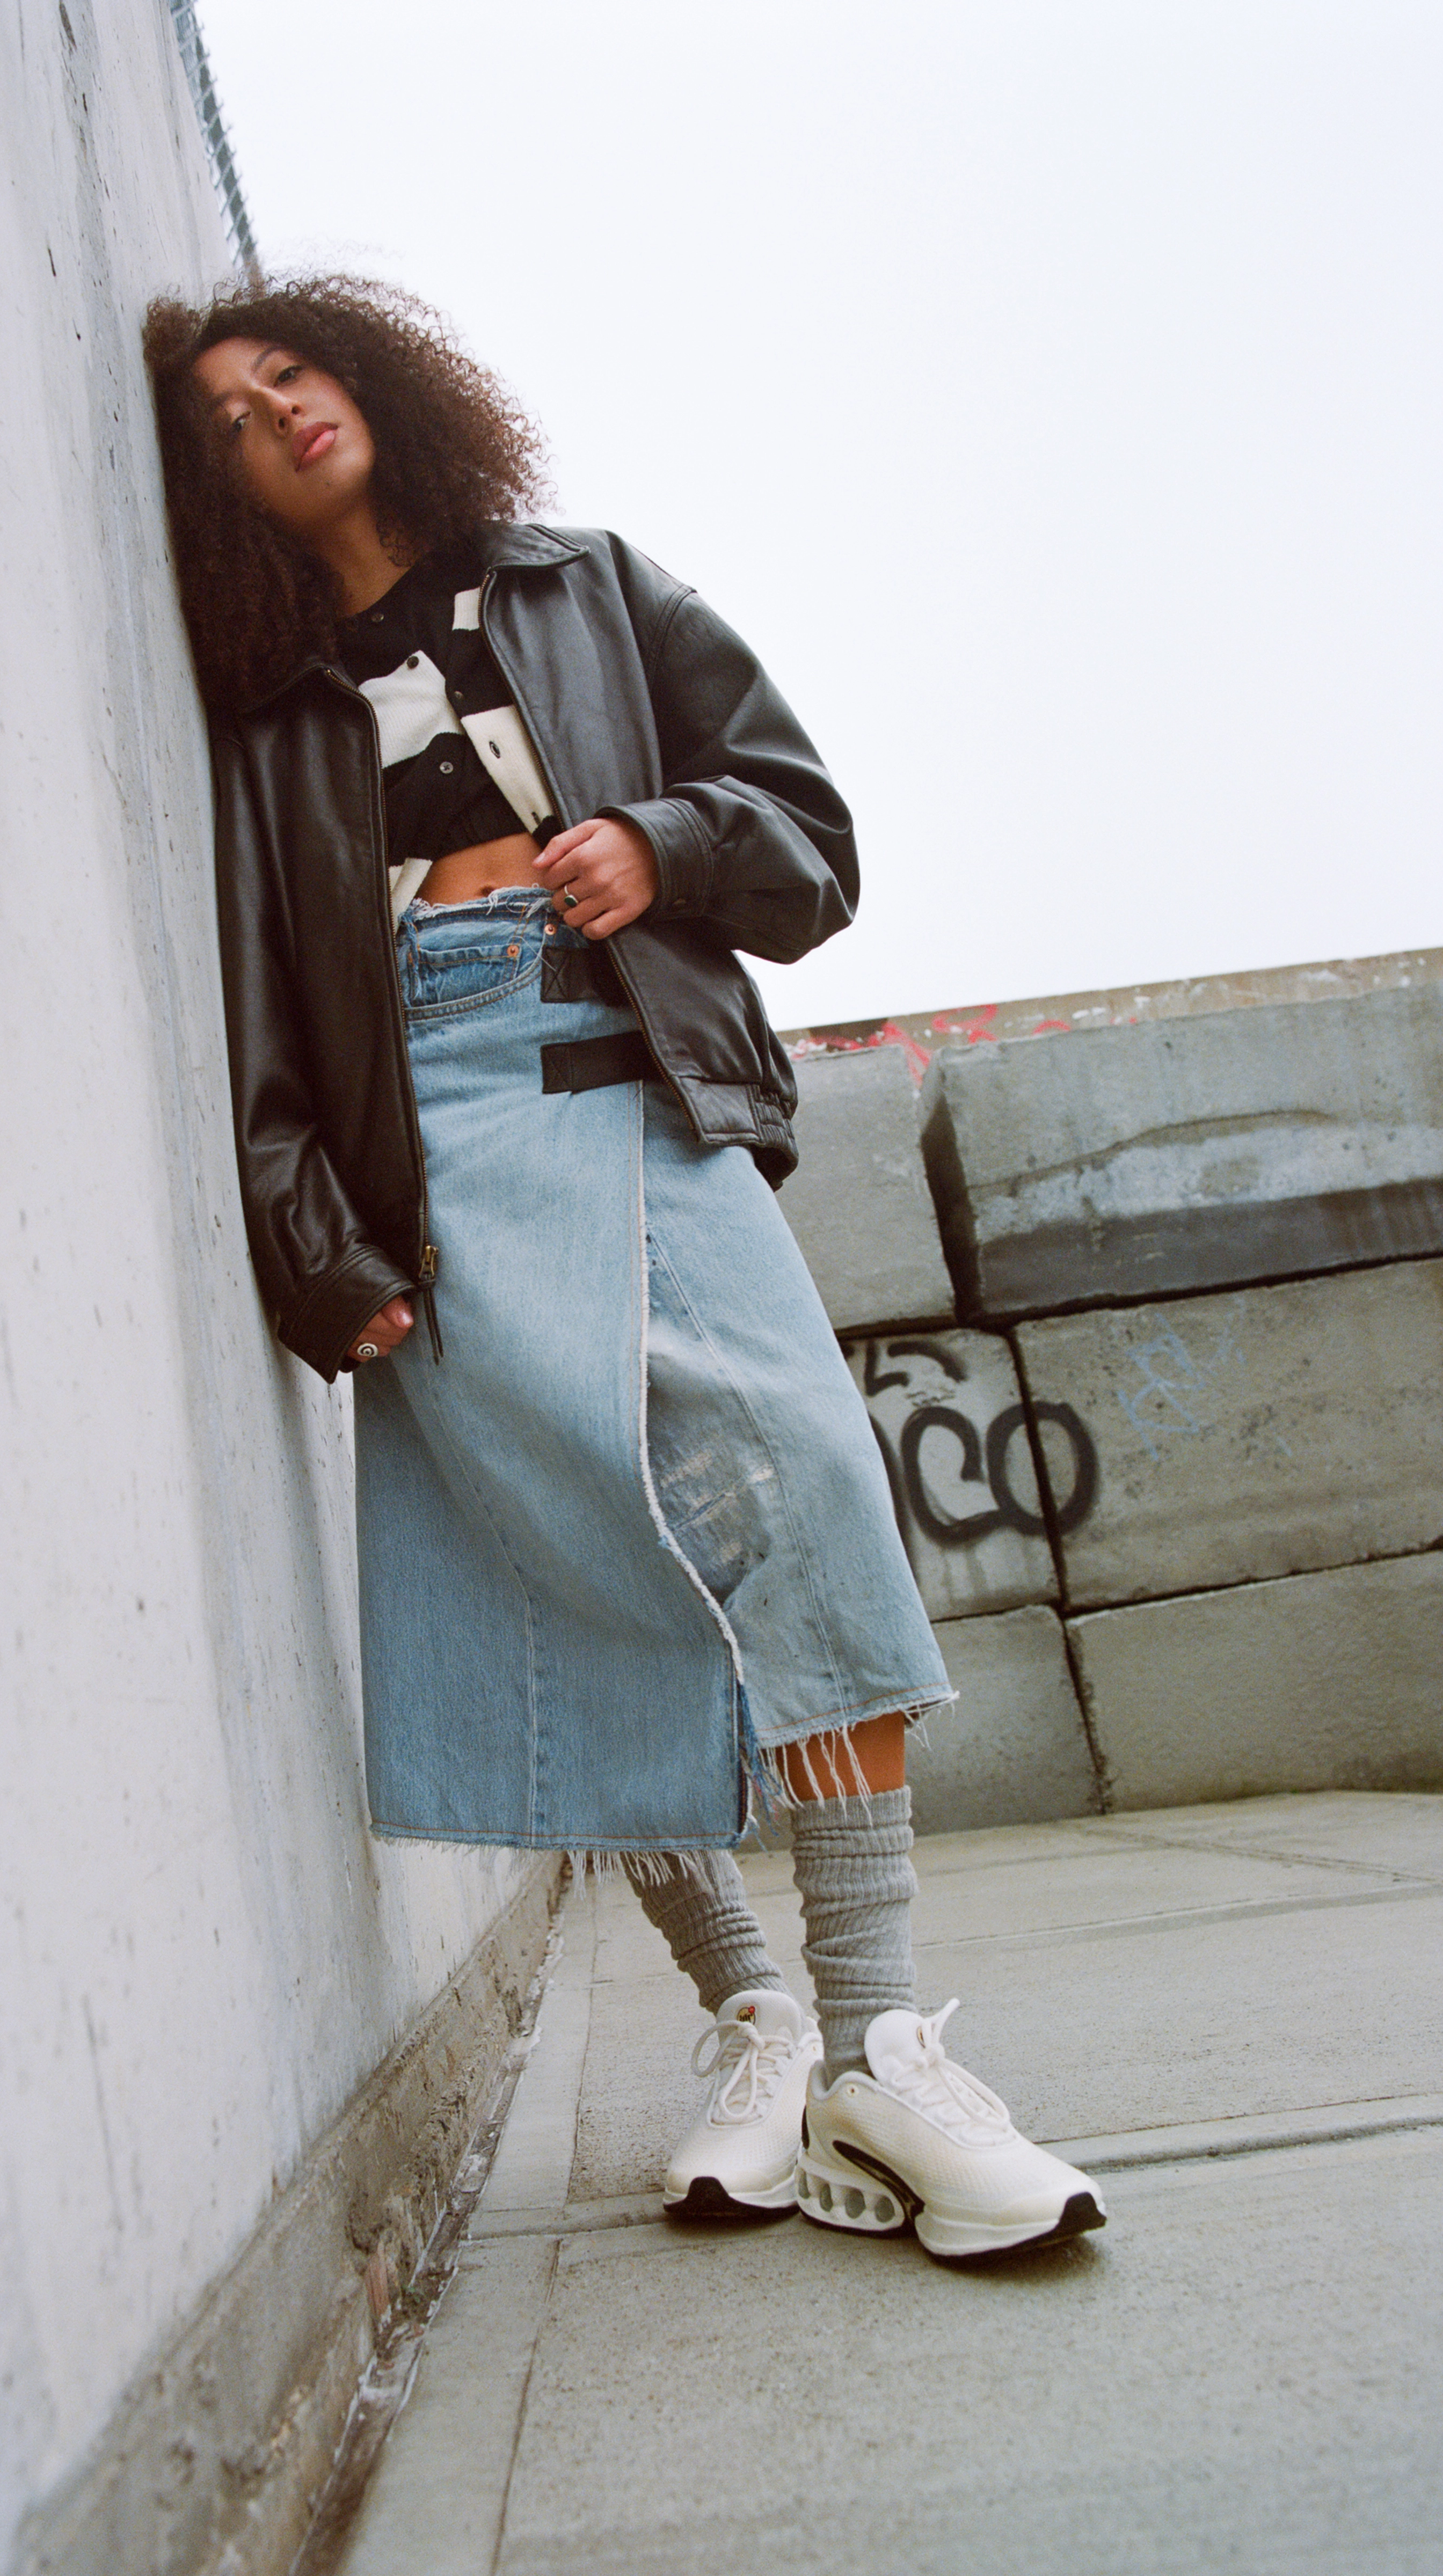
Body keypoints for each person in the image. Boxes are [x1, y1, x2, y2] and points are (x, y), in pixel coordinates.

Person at [143, 275, 1104, 2260]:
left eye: (294, 370)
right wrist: (322, 1253)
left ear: (377, 377)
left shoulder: (583, 584)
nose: (277, 414)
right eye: (228, 415)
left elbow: (813, 837)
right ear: (210, 486)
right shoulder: (267, 722)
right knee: (573, 1558)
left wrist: (661, 844)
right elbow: (259, 1026)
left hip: (628, 1072)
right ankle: (746, 2018)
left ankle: (873, 2046)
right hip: (431, 1133)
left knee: (811, 1494)